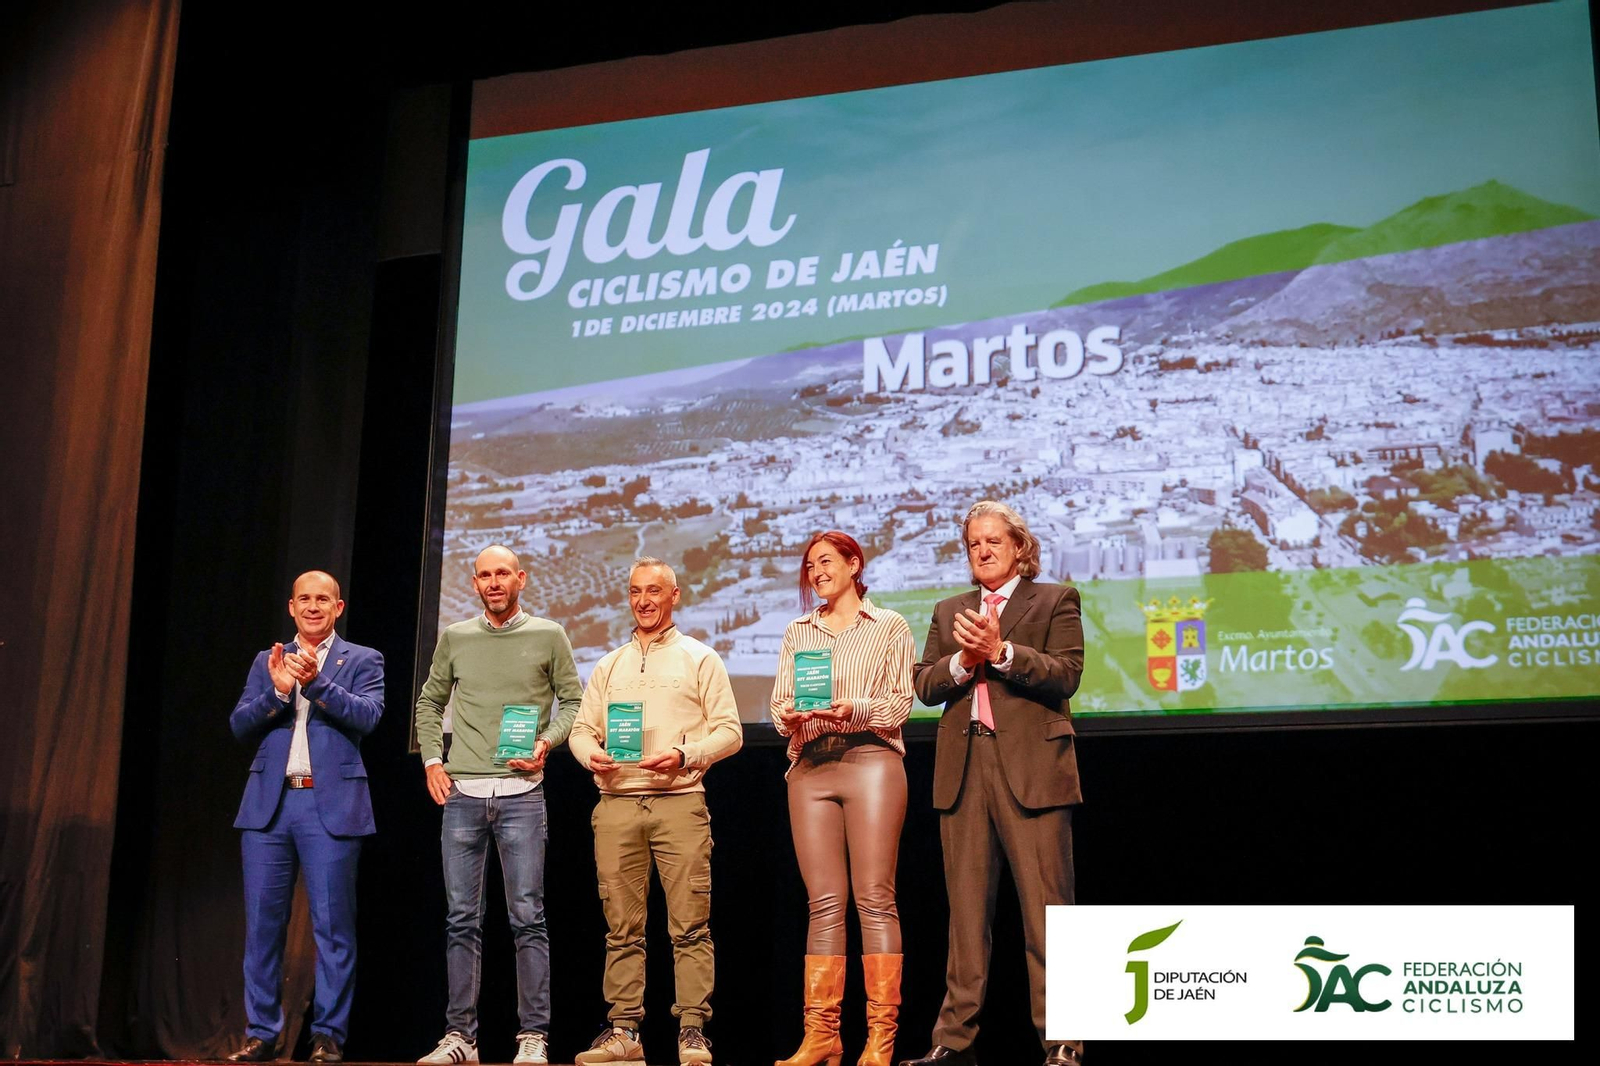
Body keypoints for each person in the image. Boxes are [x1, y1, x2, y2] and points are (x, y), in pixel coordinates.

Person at [900, 502, 1085, 1066]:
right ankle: (953, 1043)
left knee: (1048, 912)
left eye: (993, 542)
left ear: (1018, 549)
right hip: (965, 769)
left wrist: (1000, 653)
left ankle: (1065, 1039)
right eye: (973, 543)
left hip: (1032, 768)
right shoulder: (949, 609)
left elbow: (1067, 673)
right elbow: (924, 685)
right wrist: (964, 659)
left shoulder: (1054, 599)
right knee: (966, 915)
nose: (982, 551)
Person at [567, 557, 743, 1066]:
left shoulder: (700, 658)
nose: (644, 601)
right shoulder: (610, 664)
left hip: (680, 802)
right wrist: (589, 755)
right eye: (635, 591)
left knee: (690, 925)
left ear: (675, 595)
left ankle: (692, 1030)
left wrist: (687, 755)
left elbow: (729, 731)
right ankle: (625, 1031)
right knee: (621, 927)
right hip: (617, 804)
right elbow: (581, 729)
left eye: (654, 591)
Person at [414, 545, 583, 1066]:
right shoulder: (457, 637)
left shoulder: (549, 634)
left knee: (527, 917)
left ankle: (533, 1035)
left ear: (521, 579)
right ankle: (460, 1037)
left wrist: (546, 742)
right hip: (463, 795)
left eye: (502, 573)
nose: (493, 582)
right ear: (474, 583)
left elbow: (573, 702)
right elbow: (428, 701)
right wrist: (432, 761)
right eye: (485, 575)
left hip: (522, 797)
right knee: (462, 919)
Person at [770, 532, 916, 1066]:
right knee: (823, 904)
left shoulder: (889, 627)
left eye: (826, 562)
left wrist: (848, 708)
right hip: (809, 766)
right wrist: (789, 715)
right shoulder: (798, 632)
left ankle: (880, 1037)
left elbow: (898, 703)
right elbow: (780, 700)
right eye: (810, 566)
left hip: (871, 760)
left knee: (874, 898)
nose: (816, 573)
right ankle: (822, 1035)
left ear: (855, 565)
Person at [227, 571, 385, 1065]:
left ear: (338, 608)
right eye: (304, 599)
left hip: (329, 807)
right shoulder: (266, 660)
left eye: (323, 599)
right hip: (270, 809)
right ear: (291, 607)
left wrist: (316, 684)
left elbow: (368, 717)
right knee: (262, 927)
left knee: (333, 928)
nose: (313, 606)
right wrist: (276, 695)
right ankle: (261, 1034)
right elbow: (238, 725)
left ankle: (327, 1036)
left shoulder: (362, 659)